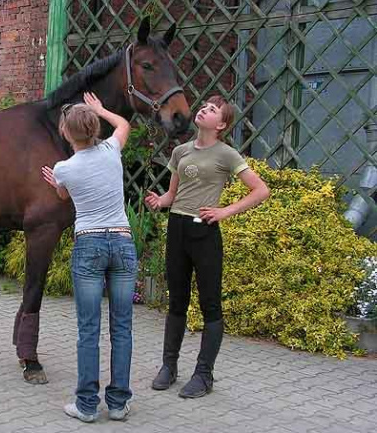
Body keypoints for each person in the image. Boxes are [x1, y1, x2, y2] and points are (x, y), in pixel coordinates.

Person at [145, 95, 270, 398]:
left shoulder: (227, 154)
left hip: (205, 233)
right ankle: (169, 366)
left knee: (210, 305)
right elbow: (172, 194)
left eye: (212, 110)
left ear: (222, 124)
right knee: (176, 300)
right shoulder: (180, 150)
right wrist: (159, 201)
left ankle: (204, 375)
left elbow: (261, 190)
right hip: (177, 227)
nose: (203, 110)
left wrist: (224, 212)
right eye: (205, 106)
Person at [41, 92, 137, 423]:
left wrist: (57, 182)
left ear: (66, 133)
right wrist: (102, 109)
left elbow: (63, 194)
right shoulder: (112, 150)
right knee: (122, 327)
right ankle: (118, 403)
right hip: (122, 243)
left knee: (88, 328)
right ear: (95, 127)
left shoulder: (63, 168)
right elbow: (124, 124)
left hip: (89, 244)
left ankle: (85, 405)